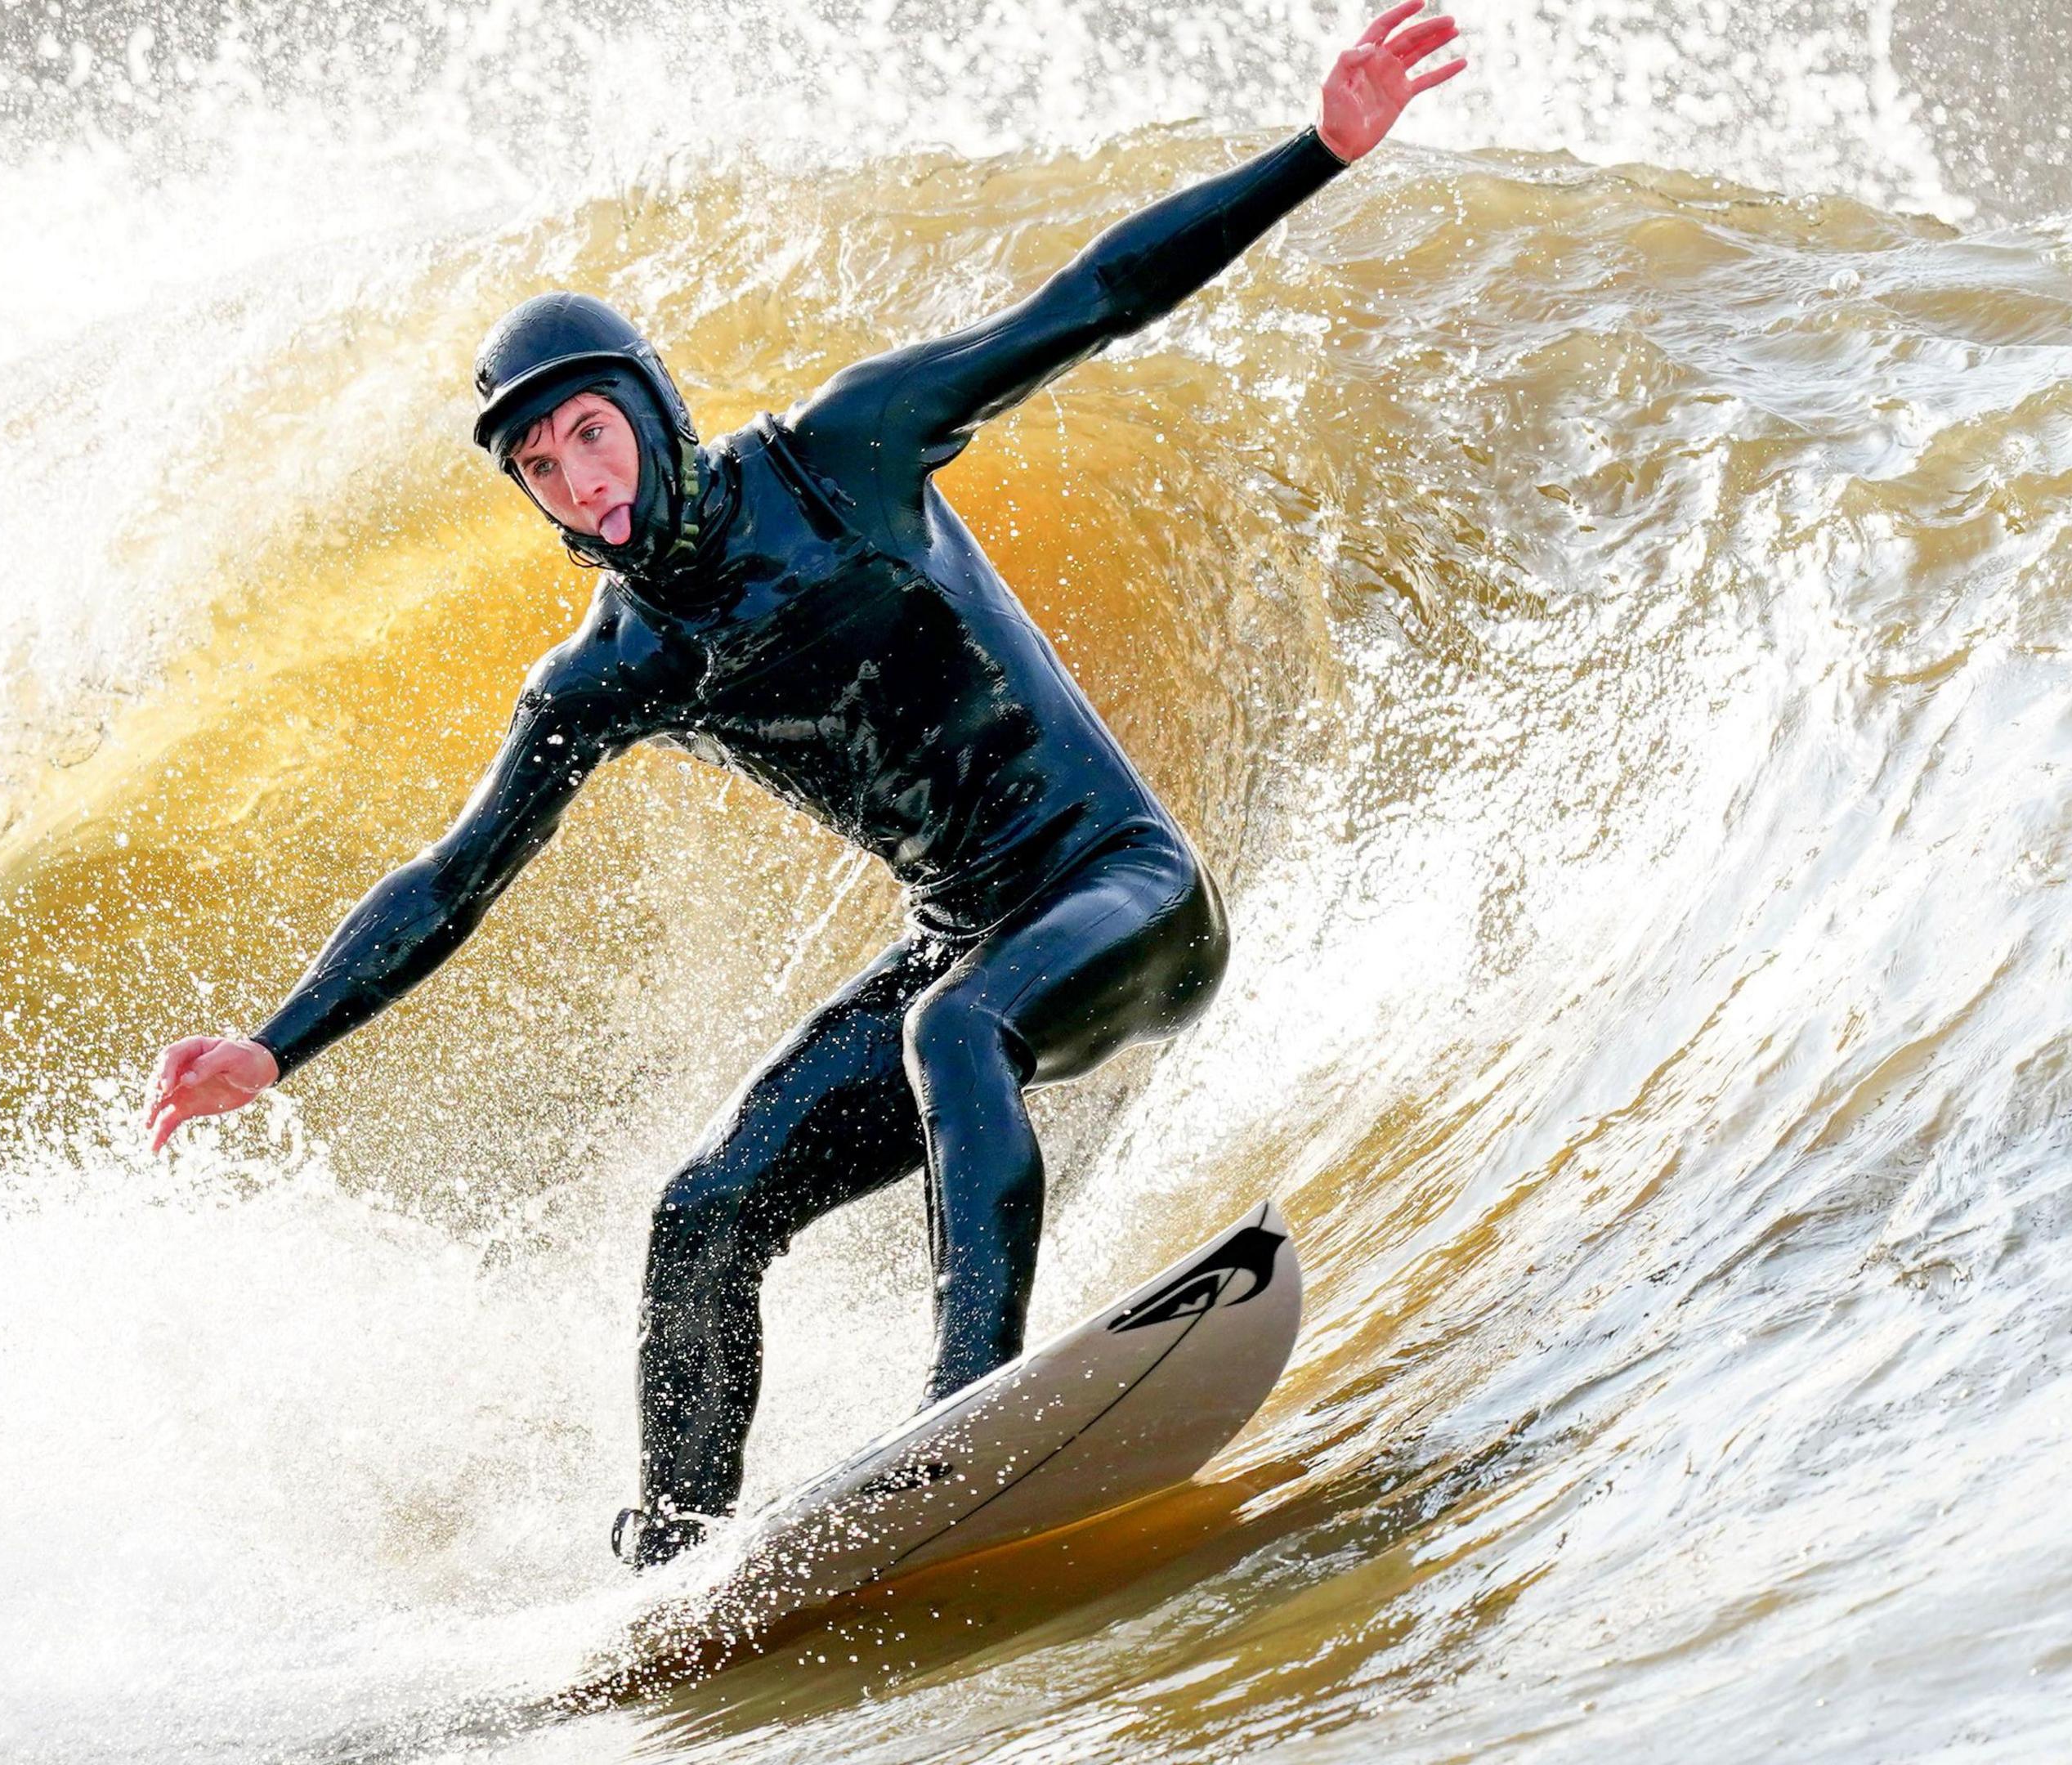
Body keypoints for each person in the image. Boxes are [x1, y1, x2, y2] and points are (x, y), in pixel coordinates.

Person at [146, 5, 1468, 1569]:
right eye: (545, 469)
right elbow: (454, 878)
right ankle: (674, 1559)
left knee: (950, 1024)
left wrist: (1318, 150)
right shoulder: (611, 671)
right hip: (966, 939)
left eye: (593, 430)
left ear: (649, 404)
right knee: (702, 1217)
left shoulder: (849, 451)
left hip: (1127, 896)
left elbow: (1088, 302)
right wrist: (276, 1044)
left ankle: (968, 1409)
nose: (586, 479)